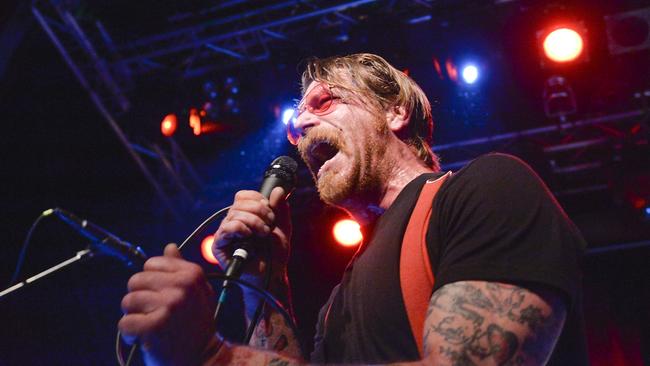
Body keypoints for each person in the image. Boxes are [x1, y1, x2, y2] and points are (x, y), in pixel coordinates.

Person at [118, 53, 587, 365]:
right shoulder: (336, 305)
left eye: (323, 101)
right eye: (296, 126)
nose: (299, 127)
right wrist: (265, 284)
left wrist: (215, 355)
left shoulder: (489, 188)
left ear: (395, 112)